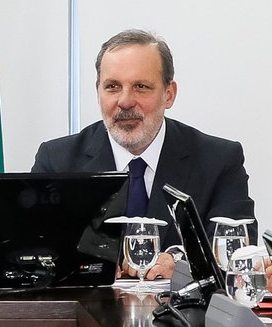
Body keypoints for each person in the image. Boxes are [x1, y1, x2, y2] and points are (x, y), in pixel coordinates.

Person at [32, 29, 256, 279]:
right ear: (98, 91)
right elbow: (33, 251)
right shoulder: (57, 160)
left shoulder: (219, 160)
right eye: (113, 87)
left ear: (168, 94)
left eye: (140, 87)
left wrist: (182, 263)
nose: (125, 101)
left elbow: (236, 250)